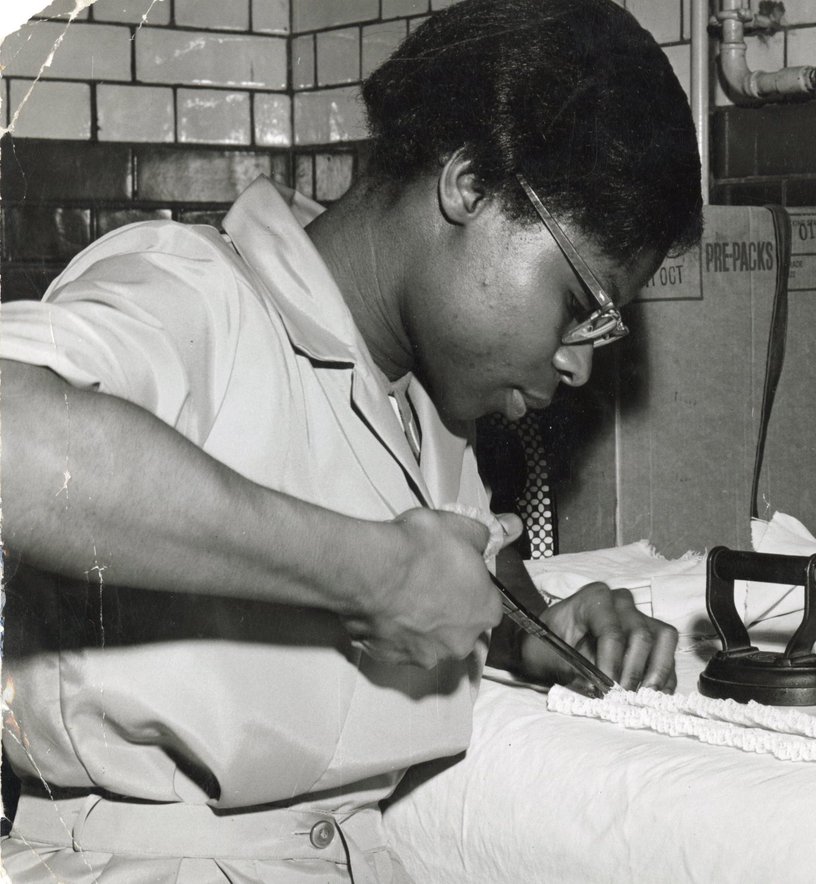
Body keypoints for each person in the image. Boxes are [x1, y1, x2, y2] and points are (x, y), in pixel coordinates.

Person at [0, 0, 703, 880]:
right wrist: (373, 574)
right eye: (576, 306)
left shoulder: (426, 400)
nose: (579, 369)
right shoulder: (196, 297)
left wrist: (537, 627)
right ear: (470, 183)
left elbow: (458, 569)